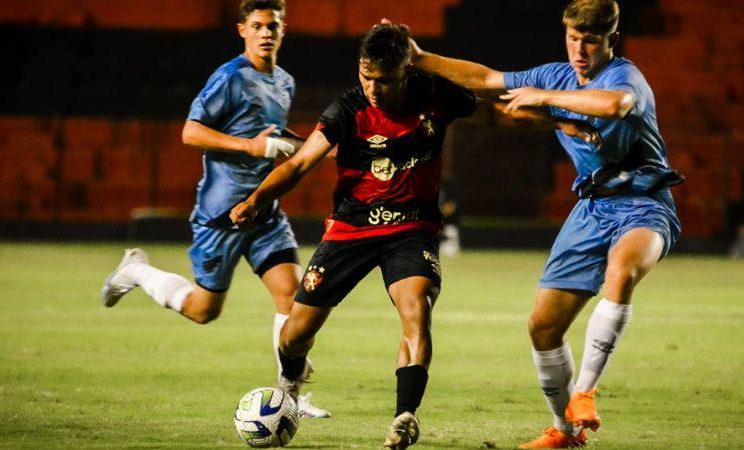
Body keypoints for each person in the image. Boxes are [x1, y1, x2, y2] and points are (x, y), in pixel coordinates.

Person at [404, 0, 683, 447]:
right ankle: (566, 430)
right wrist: (421, 59)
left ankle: (586, 393)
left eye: (590, 40)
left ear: (611, 40)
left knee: (621, 272)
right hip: (591, 210)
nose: (580, 48)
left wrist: (547, 100)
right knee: (543, 328)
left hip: (644, 203)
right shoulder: (556, 73)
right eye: (573, 38)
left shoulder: (623, 76)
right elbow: (488, 79)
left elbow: (617, 104)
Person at [229, 23, 476, 449]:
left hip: (412, 229)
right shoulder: (347, 109)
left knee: (416, 309)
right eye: (365, 77)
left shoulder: (436, 94)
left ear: (405, 69)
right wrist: (256, 200)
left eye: (382, 79)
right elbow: (300, 164)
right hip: (351, 228)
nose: (372, 88)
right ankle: (290, 379)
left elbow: (489, 98)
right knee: (294, 335)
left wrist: (558, 120)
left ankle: (405, 415)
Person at [99, 0, 330, 419]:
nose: (265, 33)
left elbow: (274, 134)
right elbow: (191, 132)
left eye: (272, 26)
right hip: (220, 215)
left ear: (283, 30)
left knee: (292, 298)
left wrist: (319, 147)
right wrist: (249, 146)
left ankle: (289, 398)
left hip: (263, 211)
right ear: (241, 29)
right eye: (257, 25)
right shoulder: (228, 78)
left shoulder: (284, 82)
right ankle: (137, 271)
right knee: (204, 310)